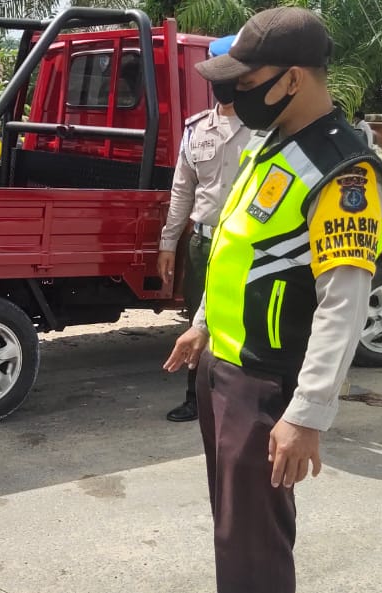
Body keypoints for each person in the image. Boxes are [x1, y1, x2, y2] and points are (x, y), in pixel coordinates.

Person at [162, 8, 382, 593]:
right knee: (233, 532)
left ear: (293, 78)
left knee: (255, 549)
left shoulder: (343, 173)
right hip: (222, 366)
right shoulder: (273, 144)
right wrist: (203, 324)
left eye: (247, 81)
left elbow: (343, 306)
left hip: (267, 384)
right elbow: (239, 248)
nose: (237, 94)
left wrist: (307, 415)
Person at [157, 34, 251, 423]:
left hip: (248, 247)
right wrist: (167, 242)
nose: (221, 83)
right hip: (204, 243)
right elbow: (182, 189)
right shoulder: (197, 129)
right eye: (216, 74)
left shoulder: (264, 130)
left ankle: (241, 398)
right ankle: (196, 399)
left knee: (244, 323)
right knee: (198, 320)